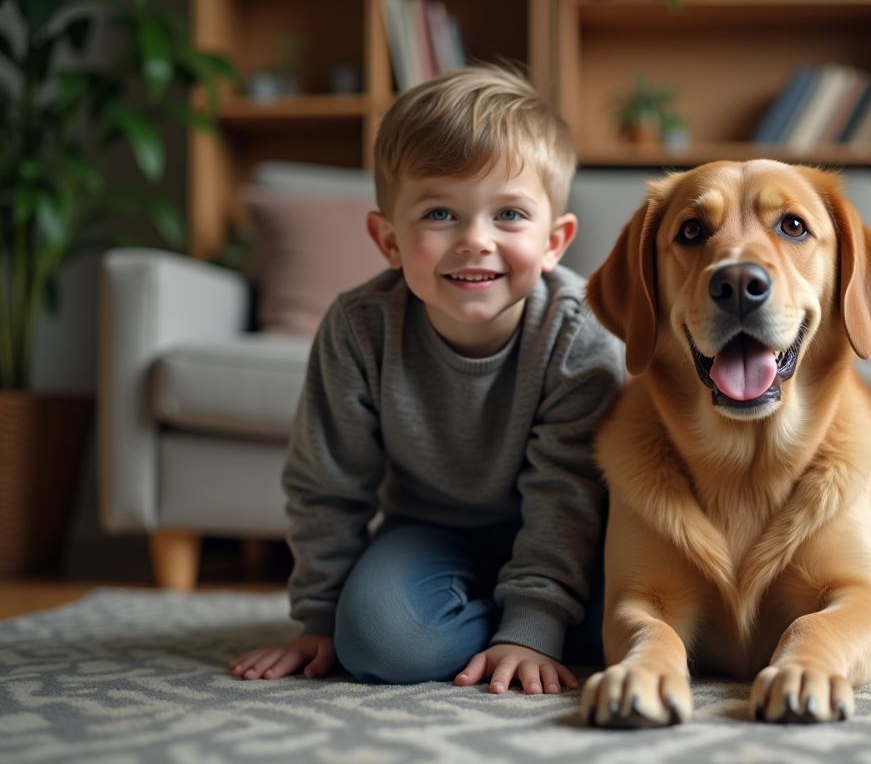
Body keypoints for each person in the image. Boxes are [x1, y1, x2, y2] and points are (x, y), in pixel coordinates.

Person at [228, 64, 624, 696]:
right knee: (378, 643)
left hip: (575, 537)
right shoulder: (359, 329)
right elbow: (327, 484)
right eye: (440, 212)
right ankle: (493, 616)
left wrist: (534, 626)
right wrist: (322, 617)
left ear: (555, 241)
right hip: (434, 535)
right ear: (388, 239)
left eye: (509, 215)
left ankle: (524, 621)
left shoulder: (579, 332)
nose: (475, 241)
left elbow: (567, 493)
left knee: (650, 618)